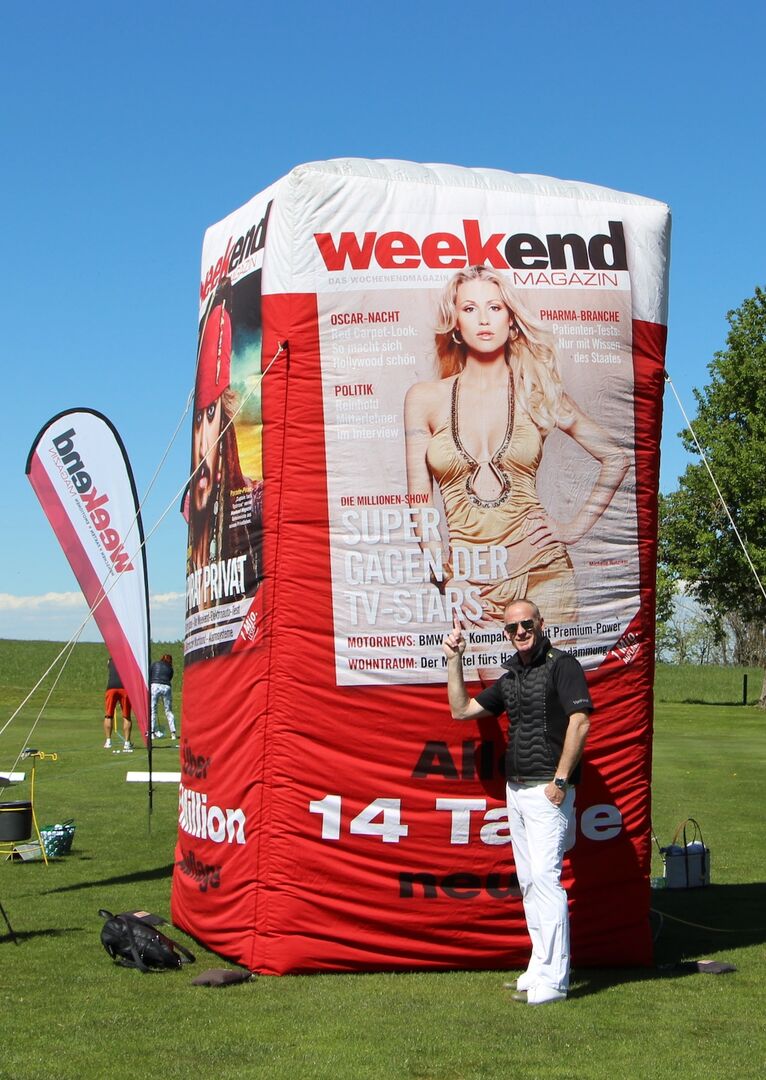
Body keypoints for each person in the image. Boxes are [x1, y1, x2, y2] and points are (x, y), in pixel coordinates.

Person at [404, 264, 629, 632]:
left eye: (494, 307)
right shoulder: (424, 399)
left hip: (544, 570)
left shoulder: (536, 391)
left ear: (511, 321)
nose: (483, 319)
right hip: (472, 583)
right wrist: (445, 578)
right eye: (470, 308)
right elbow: (419, 501)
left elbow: (616, 457)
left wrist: (573, 528)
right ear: (455, 324)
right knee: (484, 672)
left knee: (549, 671)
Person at [444, 599, 592, 1005]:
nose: (520, 632)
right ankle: (539, 967)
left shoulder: (563, 666)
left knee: (545, 880)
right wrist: (455, 660)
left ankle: (555, 980)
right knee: (529, 882)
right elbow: (461, 710)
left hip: (547, 791)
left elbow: (581, 722)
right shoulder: (510, 677)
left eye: (526, 624)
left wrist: (560, 781)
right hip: (517, 790)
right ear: (505, 633)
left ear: (541, 624)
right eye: (512, 628)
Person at [187, 277, 263, 620]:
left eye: (212, 415)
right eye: (200, 418)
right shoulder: (193, 509)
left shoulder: (247, 496)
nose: (204, 438)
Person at [104, 657, 133, 752]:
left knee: (108, 715)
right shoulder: (128, 660)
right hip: (124, 688)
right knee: (126, 716)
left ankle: (108, 741)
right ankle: (127, 743)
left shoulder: (111, 661)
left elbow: (108, 663)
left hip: (111, 688)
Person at [149, 653, 177, 740]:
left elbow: (150, 674)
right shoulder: (170, 668)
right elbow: (170, 678)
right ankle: (173, 733)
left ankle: (152, 733)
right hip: (166, 687)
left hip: (155, 686)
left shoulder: (155, 664)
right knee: (168, 711)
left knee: (153, 710)